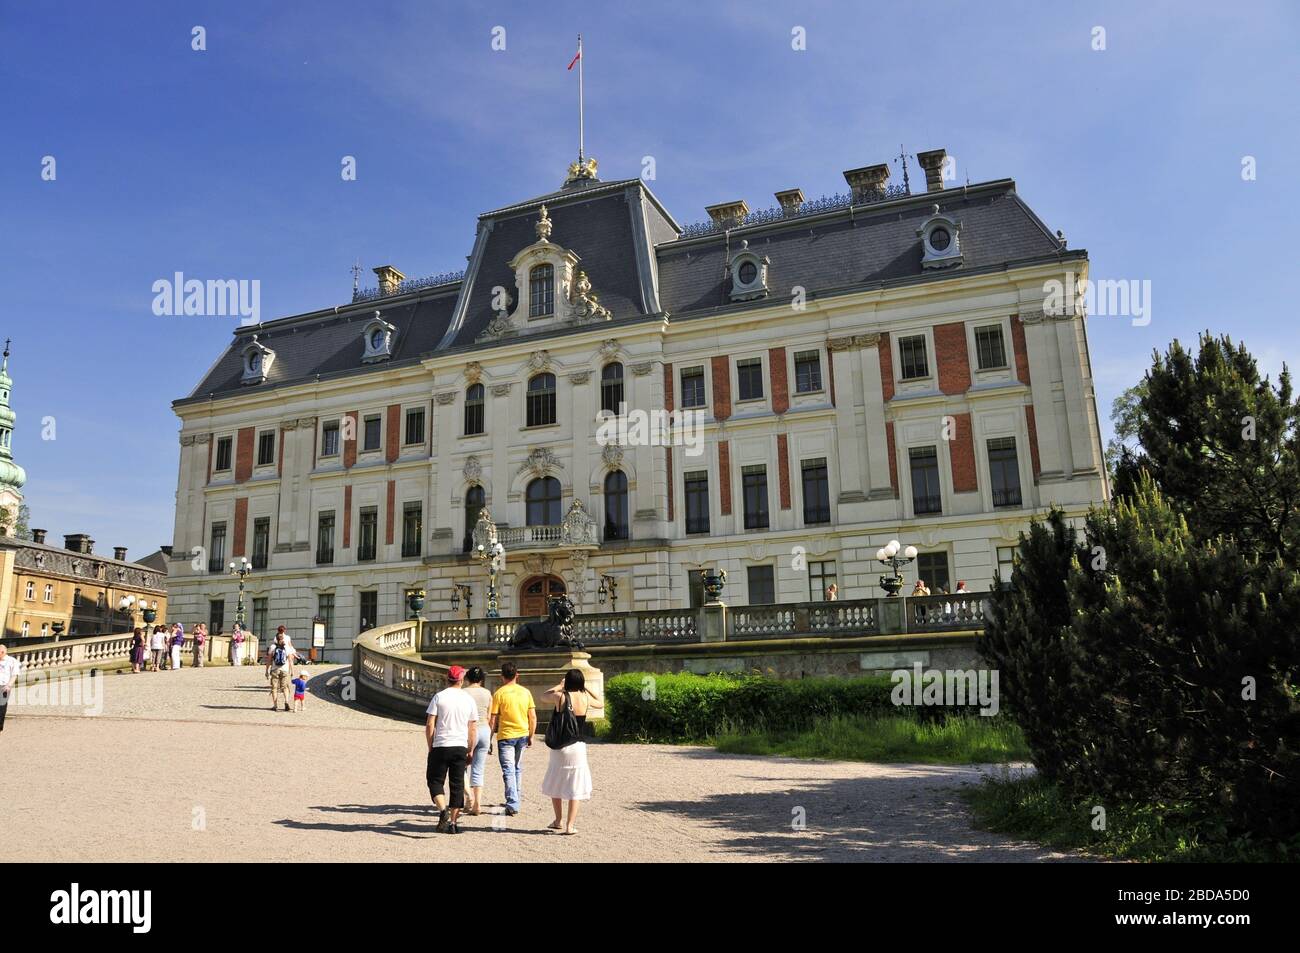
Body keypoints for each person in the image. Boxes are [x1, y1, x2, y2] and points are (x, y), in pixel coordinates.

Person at [541, 669, 600, 835]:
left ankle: (558, 820)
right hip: (578, 747)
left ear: (567, 682)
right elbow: (601, 702)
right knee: (576, 785)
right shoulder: (585, 698)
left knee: (556, 781)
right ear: (581, 683)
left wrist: (559, 686)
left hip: (560, 747)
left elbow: (543, 696)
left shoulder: (561, 697)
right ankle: (570, 825)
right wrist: (586, 687)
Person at [425, 665, 478, 834]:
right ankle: (454, 824)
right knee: (457, 785)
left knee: (434, 780)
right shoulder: (468, 699)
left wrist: (430, 745)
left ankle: (442, 810)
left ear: (447, 679)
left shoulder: (439, 697)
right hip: (460, 745)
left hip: (441, 745)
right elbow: (472, 728)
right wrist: (470, 749)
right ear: (462, 680)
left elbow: (430, 723)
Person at [489, 661, 536, 816]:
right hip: (522, 733)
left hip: (506, 736)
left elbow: (493, 719)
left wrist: (489, 737)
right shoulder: (526, 692)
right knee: (516, 768)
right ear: (517, 675)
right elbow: (533, 717)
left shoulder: (499, 693)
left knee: (508, 770)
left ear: (502, 676)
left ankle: (513, 802)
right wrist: (531, 735)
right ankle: (515, 799)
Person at [463, 667, 493, 816]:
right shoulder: (487, 693)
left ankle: (468, 795)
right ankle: (477, 805)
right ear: (481, 679)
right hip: (484, 730)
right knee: (478, 768)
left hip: (468, 730)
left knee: (461, 766)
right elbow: (489, 716)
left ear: (467, 678)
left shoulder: (464, 693)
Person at [265, 631, 297, 712]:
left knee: (274, 688)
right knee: (285, 687)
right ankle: (286, 702)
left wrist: (266, 670)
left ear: (276, 639)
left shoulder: (272, 647)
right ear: (283, 639)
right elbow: (290, 660)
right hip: (285, 670)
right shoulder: (287, 648)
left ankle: (275, 705)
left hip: (275, 669)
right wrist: (292, 671)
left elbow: (269, 660)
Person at [0, 644, 21, 731]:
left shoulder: (12, 661)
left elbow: (14, 674)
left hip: (4, 686)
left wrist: (9, 685)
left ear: (3, 652)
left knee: (1, 706)